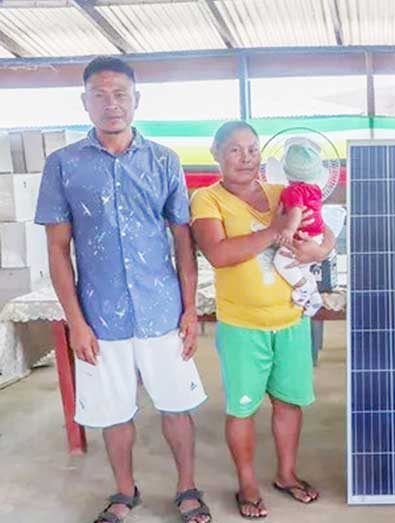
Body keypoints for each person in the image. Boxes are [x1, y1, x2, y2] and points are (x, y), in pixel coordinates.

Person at [34, 56, 211, 523]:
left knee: (177, 407)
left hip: (162, 310)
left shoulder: (163, 161)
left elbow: (183, 242)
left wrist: (190, 310)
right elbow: (58, 251)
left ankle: (187, 487)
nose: (111, 104)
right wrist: (76, 323)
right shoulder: (63, 165)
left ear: (136, 100)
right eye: (100, 94)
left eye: (120, 95)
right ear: (85, 101)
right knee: (114, 413)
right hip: (100, 316)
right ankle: (123, 491)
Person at [190, 121, 334, 518]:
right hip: (243, 325)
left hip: (290, 320)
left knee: (289, 403)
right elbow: (219, 254)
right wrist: (275, 231)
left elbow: (326, 233)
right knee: (243, 408)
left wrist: (317, 251)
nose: (245, 157)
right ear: (215, 153)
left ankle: (286, 474)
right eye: (234, 150)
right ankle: (248, 484)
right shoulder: (207, 200)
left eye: (252, 149)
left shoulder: (281, 193)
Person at [272, 138, 327, 317]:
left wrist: (288, 230)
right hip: (316, 238)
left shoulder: (291, 191)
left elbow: (296, 211)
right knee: (303, 269)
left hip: (302, 236)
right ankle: (315, 296)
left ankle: (303, 289)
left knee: (281, 261)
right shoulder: (316, 189)